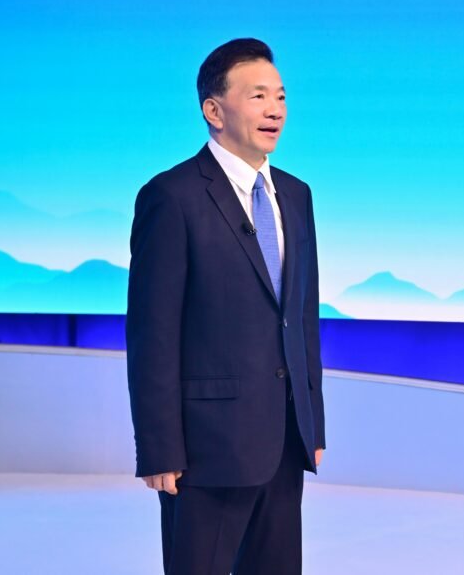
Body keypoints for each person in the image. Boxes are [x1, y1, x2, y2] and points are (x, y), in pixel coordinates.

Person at [126, 38, 326, 574]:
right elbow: (153, 333)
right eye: (257, 96)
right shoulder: (172, 196)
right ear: (214, 111)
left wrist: (312, 423)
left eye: (280, 96)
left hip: (283, 442)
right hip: (205, 451)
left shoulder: (297, 195)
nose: (275, 109)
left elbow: (301, 317)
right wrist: (159, 447)